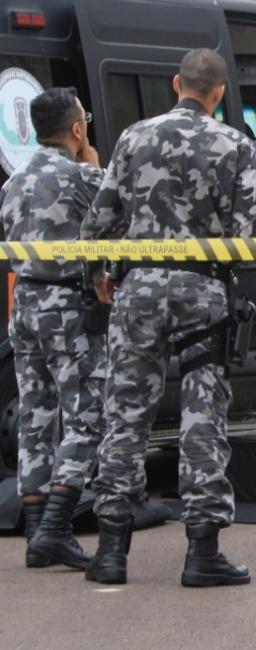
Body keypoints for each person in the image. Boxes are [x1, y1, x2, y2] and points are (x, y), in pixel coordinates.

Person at [81, 48, 256, 586]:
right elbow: (250, 239)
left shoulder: (132, 138)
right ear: (218, 93)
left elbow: (100, 221)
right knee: (201, 418)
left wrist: (101, 274)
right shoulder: (235, 144)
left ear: (175, 84)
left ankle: (111, 553)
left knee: (125, 415)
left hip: (136, 290)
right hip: (201, 295)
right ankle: (202, 552)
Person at [0, 88, 106, 569]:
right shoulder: (84, 177)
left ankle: (37, 535)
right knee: (85, 414)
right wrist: (96, 166)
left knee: (35, 418)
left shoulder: (13, 183)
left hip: (23, 304)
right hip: (67, 305)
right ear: (77, 129)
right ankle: (57, 528)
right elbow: (113, 233)